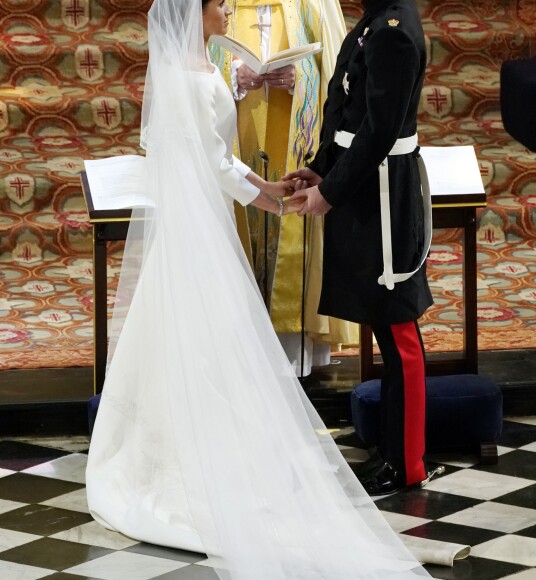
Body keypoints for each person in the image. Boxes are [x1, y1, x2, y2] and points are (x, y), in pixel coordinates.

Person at [86, 0, 431, 578]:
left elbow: (224, 157)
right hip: (199, 224)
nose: (227, 9)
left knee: (205, 339)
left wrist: (277, 189)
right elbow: (208, 159)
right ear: (193, 13)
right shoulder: (186, 78)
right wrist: (270, 193)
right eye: (218, 4)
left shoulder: (204, 67)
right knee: (195, 337)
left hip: (218, 216)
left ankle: (401, 460)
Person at [285, 0, 433, 496]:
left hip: (383, 197)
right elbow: (346, 110)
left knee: (398, 328)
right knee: (383, 323)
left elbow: (380, 130)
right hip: (363, 188)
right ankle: (393, 449)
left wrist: (329, 192)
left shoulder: (392, 29)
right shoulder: (375, 19)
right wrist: (322, 167)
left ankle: (408, 461)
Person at [213, 0, 358, 376]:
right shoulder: (219, 4)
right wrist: (234, 77)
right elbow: (195, 60)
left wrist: (303, 78)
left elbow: (343, 71)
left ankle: (292, 355)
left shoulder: (312, 3)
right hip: (238, 137)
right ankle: (235, 351)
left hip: (295, 135)